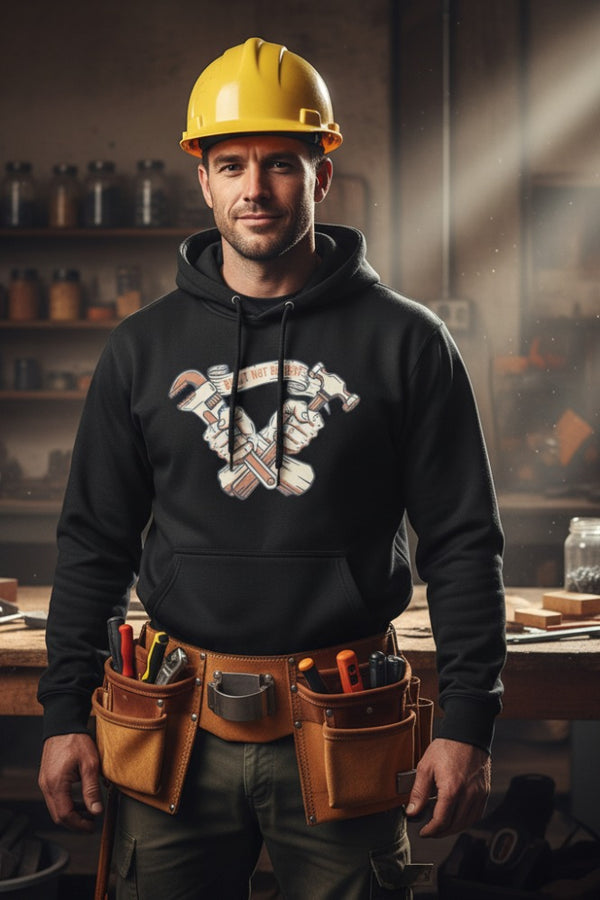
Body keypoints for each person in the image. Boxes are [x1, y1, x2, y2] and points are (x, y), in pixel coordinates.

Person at [38, 37, 506, 899]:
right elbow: (94, 543)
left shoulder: (408, 343)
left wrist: (469, 720)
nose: (255, 188)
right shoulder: (141, 350)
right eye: (232, 165)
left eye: (281, 163)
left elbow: (464, 541)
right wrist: (65, 713)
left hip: (347, 720)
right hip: (173, 723)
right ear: (204, 180)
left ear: (322, 175)